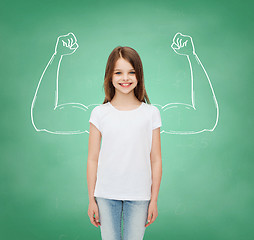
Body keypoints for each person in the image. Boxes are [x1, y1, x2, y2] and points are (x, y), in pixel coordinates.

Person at [87, 46, 162, 240]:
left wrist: (154, 200)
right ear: (110, 77)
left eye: (131, 72)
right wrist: (91, 200)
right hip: (105, 193)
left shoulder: (151, 113)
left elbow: (156, 159)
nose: (125, 78)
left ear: (139, 76)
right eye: (118, 73)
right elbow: (93, 159)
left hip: (139, 195)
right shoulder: (99, 113)